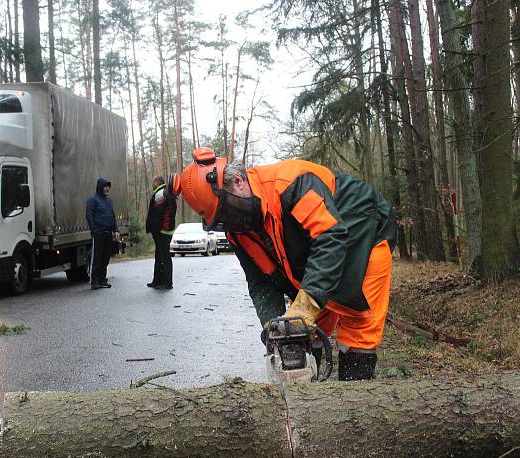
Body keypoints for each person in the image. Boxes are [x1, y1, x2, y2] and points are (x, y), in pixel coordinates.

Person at [169, 148, 397, 381]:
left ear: (238, 182)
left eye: (225, 212)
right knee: (303, 330)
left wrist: (305, 307)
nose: (228, 223)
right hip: (316, 253)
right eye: (220, 220)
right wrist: (275, 327)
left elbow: (330, 237)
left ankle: (356, 401)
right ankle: (309, 398)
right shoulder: (238, 231)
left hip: (363, 228)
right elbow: (260, 282)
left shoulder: (291, 183)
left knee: (357, 320)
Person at [86, 177, 119, 290]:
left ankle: (102, 280)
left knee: (105, 258)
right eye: (105, 186)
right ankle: (94, 281)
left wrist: (116, 230)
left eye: (108, 187)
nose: (107, 189)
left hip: (108, 233)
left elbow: (112, 216)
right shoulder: (92, 200)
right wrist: (94, 230)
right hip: (98, 233)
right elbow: (89, 216)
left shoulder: (109, 202)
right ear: (100, 187)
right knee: (97, 257)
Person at [145, 176, 177, 289]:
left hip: (162, 231)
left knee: (165, 256)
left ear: (157, 182)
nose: (152, 184)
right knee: (159, 256)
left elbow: (158, 214)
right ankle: (157, 280)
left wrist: (156, 229)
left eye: (153, 182)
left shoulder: (160, 194)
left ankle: (167, 282)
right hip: (165, 230)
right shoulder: (165, 192)